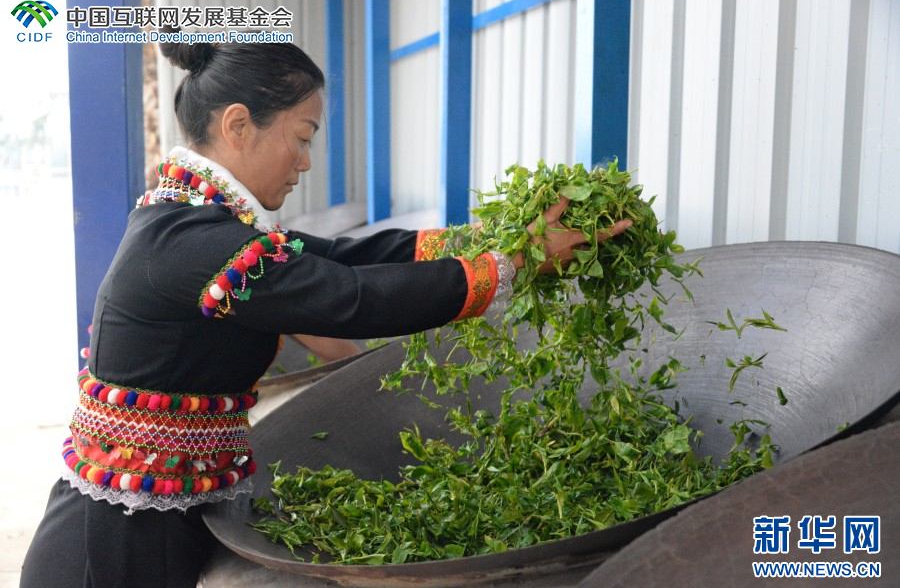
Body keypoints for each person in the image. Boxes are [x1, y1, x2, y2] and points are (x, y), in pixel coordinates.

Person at [20, 41, 631, 587]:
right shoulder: (189, 241)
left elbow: (344, 256)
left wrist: (488, 239)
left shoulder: (198, 220)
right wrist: (512, 265)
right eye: (303, 136)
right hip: (109, 546)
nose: (306, 162)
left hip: (152, 518)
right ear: (238, 125)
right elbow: (346, 297)